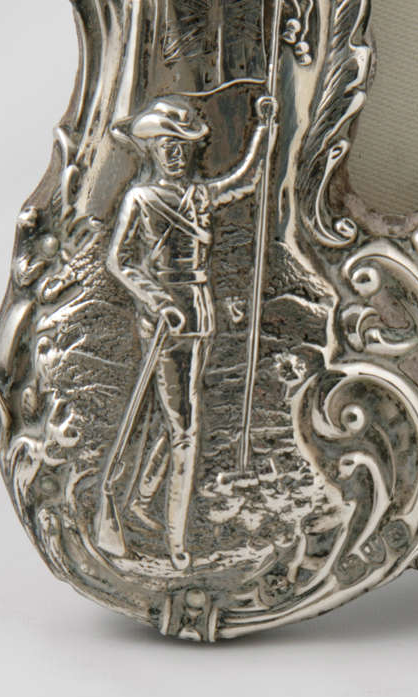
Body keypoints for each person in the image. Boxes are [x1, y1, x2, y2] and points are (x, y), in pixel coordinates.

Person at [103, 94, 275, 571]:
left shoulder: (199, 195)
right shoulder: (140, 199)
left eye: (181, 145)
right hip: (164, 323)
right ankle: (178, 540)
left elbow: (244, 182)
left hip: (199, 315)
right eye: (166, 146)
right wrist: (157, 300)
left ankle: (142, 500)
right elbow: (119, 261)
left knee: (176, 414)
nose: (175, 154)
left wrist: (263, 130)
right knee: (186, 427)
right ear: (153, 150)